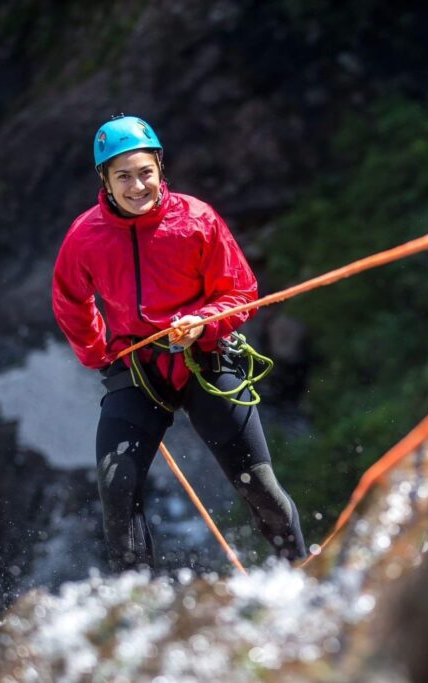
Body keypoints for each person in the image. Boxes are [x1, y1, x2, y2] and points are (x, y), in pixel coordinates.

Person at [52, 115, 306, 571]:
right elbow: (71, 300)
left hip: (204, 358)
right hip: (137, 369)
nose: (137, 186)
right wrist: (99, 355)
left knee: (258, 484)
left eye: (145, 172)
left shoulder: (196, 220)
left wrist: (202, 322)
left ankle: (300, 570)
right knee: (117, 488)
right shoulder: (85, 237)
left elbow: (240, 292)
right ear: (105, 181)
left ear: (160, 168)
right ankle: (137, 608)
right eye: (123, 176)